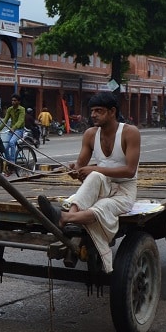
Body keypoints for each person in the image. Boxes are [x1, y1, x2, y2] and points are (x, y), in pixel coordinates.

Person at [38, 92, 141, 274]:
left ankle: (64, 218)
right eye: (92, 110)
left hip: (124, 190)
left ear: (112, 112)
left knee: (104, 205)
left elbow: (129, 171)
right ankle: (71, 217)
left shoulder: (129, 132)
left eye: (98, 111)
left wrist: (95, 169)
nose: (93, 115)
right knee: (94, 176)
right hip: (102, 185)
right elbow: (81, 165)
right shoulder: (90, 134)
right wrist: (75, 170)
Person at [0, 94, 26, 164]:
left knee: (12, 142)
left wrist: (14, 128)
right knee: (5, 147)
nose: (13, 102)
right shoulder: (10, 109)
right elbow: (5, 121)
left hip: (19, 130)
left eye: (15, 100)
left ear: (19, 102)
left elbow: (20, 120)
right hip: (12, 130)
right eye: (12, 100)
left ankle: (12, 161)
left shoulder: (22, 109)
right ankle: (9, 163)